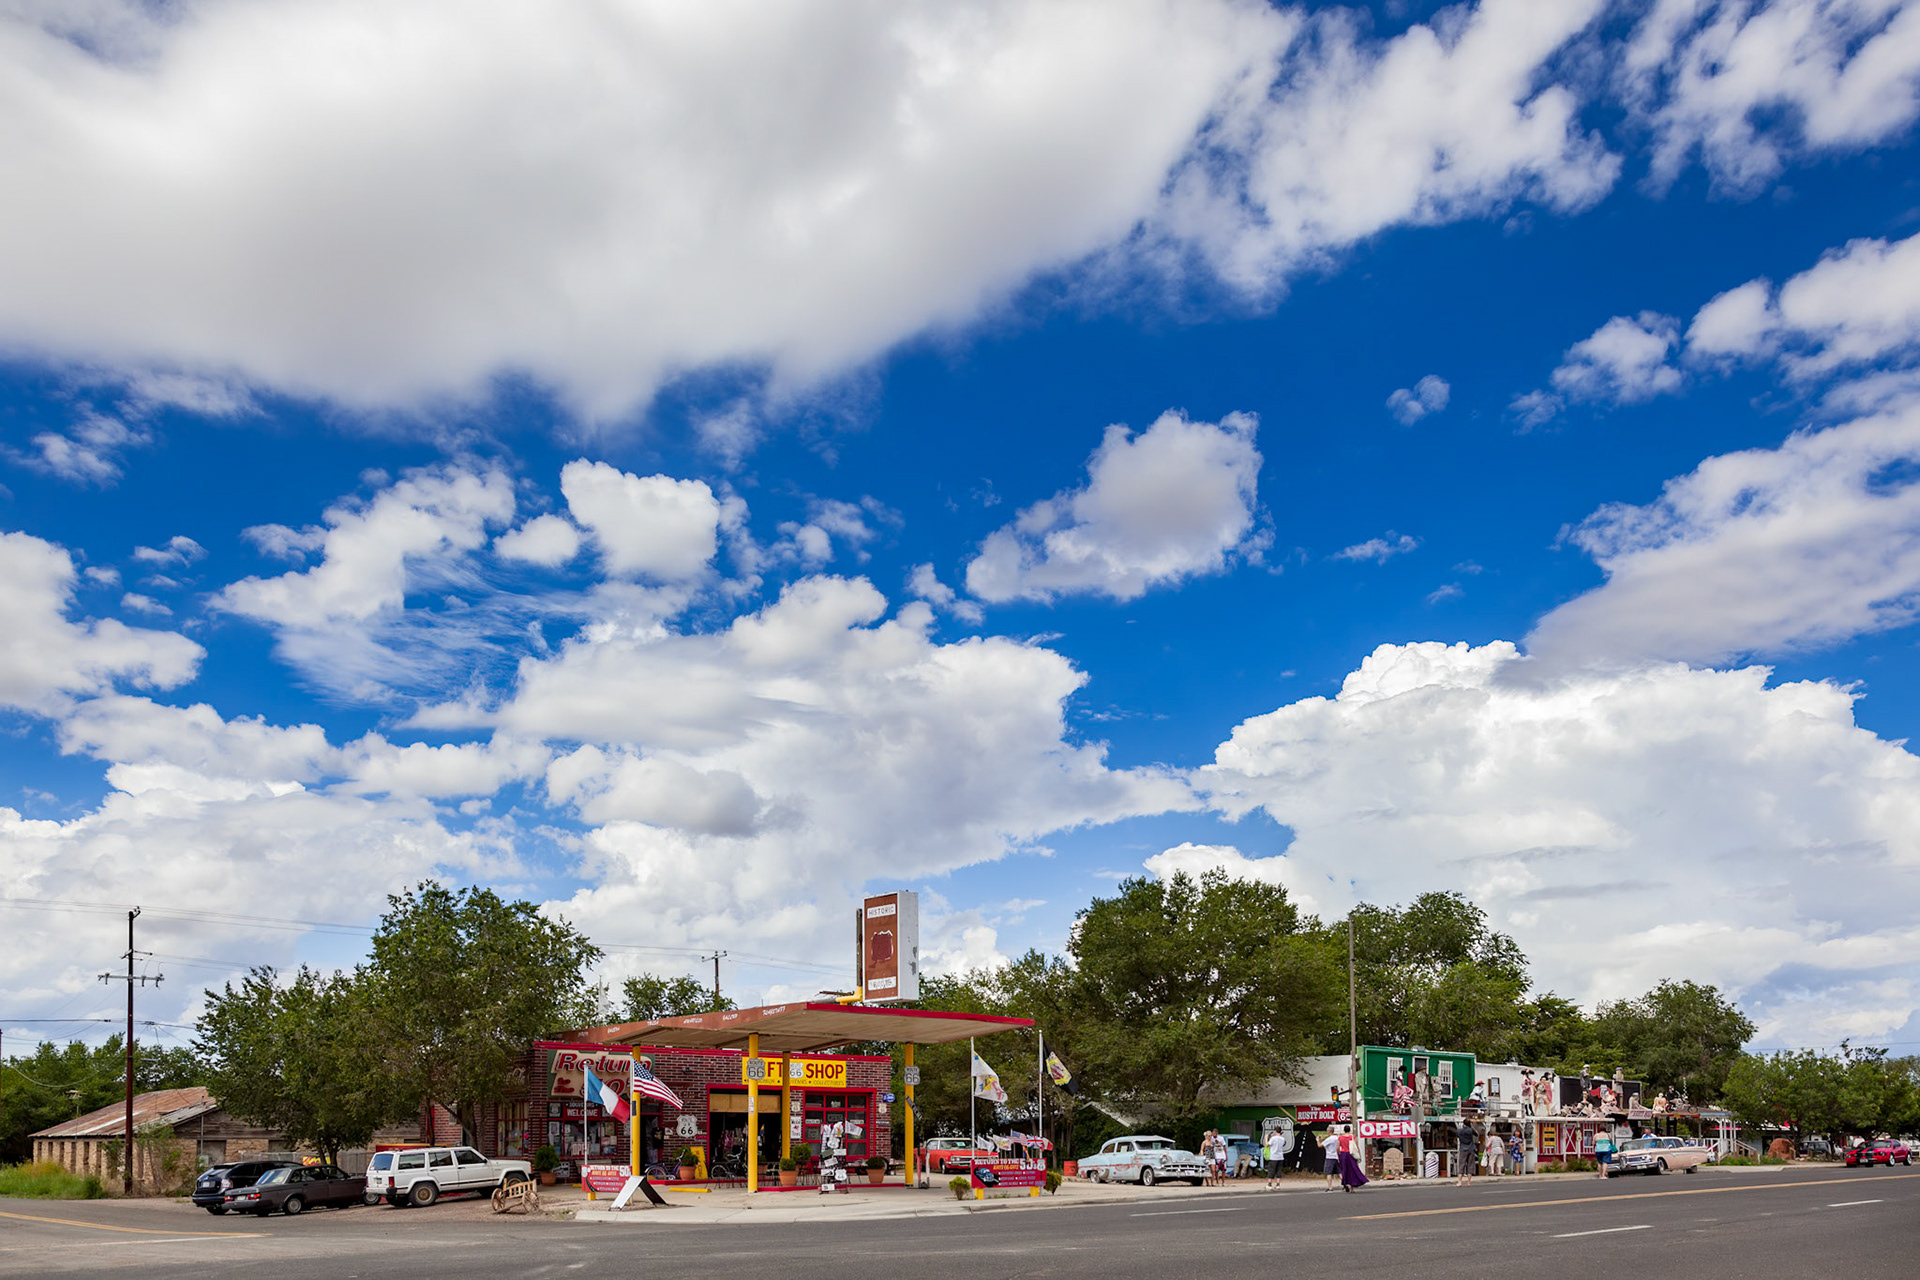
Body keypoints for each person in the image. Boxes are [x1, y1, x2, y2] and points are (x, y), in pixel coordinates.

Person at [1336, 1126, 1369, 1192]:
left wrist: (1338, 1155)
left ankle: (1345, 1183)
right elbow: (1356, 1147)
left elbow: (1337, 1148)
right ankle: (1352, 1187)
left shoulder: (1340, 1137)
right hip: (1351, 1154)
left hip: (1343, 1154)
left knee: (1344, 1170)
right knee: (1352, 1170)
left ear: (1344, 1130)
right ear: (1350, 1130)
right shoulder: (1352, 1137)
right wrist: (1359, 1155)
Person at [1455, 1120, 1476, 1187]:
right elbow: (1477, 1134)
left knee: (1461, 1165)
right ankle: (1469, 1182)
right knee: (1470, 1165)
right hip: (1471, 1148)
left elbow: (1457, 1136)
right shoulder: (1470, 1130)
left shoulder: (1459, 1130)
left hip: (1463, 1149)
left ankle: (1460, 1182)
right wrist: (1472, 1126)